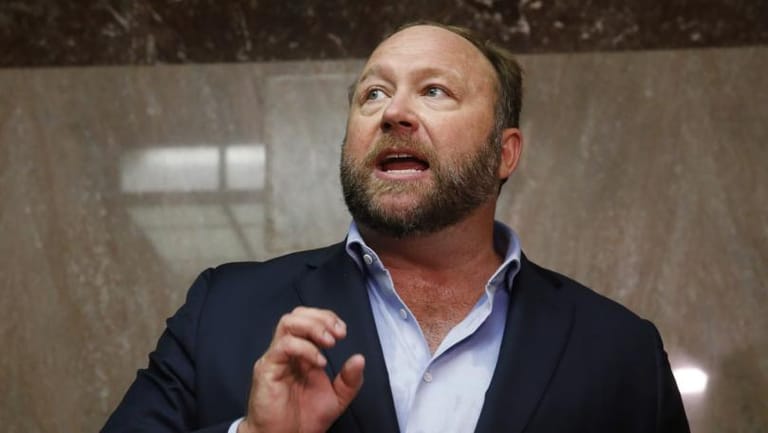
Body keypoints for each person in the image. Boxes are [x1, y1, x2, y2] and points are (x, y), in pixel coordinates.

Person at [101, 22, 690, 433]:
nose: (394, 112)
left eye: (435, 91)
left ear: (504, 152)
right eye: (373, 94)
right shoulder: (222, 311)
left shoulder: (621, 351)